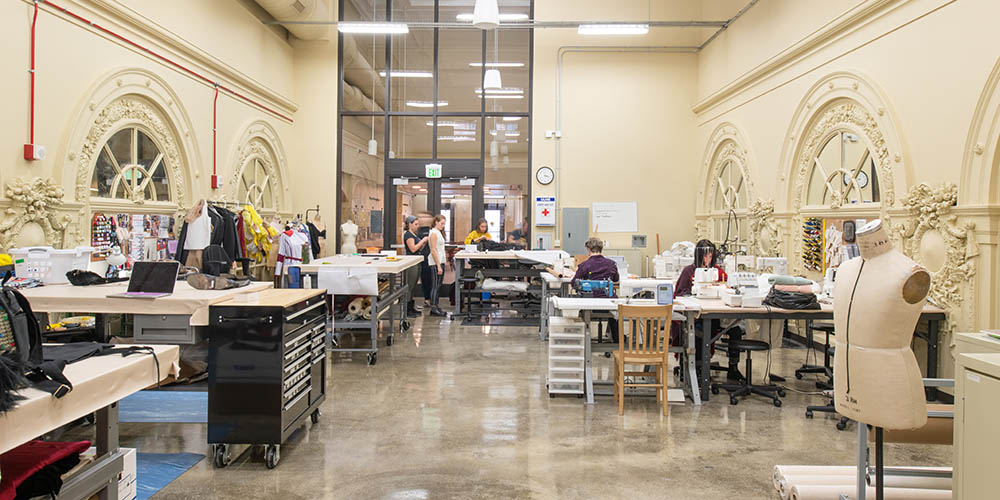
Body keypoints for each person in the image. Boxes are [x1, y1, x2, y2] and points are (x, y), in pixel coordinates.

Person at [672, 239, 740, 381]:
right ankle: (695, 367)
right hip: (697, 315)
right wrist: (693, 293)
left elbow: (727, 286)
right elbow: (680, 293)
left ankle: (733, 367)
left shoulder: (717, 271)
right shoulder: (688, 271)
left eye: (710, 256)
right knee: (698, 330)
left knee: (736, 330)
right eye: (705, 256)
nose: (707, 259)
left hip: (715, 314)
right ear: (698, 256)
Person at [572, 237, 621, 342]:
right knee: (615, 315)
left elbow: (574, 283)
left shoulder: (584, 265)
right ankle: (617, 340)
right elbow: (616, 279)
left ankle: (583, 340)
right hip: (610, 304)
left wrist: (578, 272)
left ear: (588, 250)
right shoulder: (611, 264)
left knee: (580, 312)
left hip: (591, 303)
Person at [402, 215, 429, 317]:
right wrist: (422, 241)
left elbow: (418, 248)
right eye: (416, 224)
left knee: (413, 286)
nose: (418, 226)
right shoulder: (408, 235)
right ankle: (407, 310)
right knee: (410, 285)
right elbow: (413, 249)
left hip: (417, 261)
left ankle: (411, 307)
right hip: (411, 263)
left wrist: (423, 243)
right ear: (410, 224)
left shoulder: (414, 234)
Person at [428, 214, 448, 316]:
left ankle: (436, 305)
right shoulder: (433, 233)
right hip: (435, 263)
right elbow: (433, 250)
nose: (443, 226)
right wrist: (438, 265)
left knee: (438, 285)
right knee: (435, 285)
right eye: (442, 223)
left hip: (440, 262)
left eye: (444, 224)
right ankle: (433, 307)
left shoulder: (439, 233)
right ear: (436, 222)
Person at [415, 211, 434, 310]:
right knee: (425, 278)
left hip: (433, 258)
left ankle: (432, 299)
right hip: (423, 258)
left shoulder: (433, 230)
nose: (424, 219)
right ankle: (427, 299)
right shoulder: (418, 231)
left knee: (432, 279)